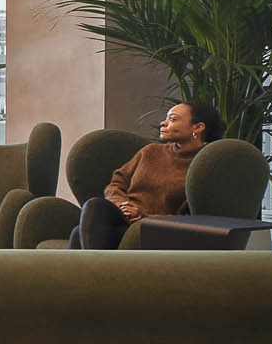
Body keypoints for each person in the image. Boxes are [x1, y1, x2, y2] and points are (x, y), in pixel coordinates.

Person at [71, 101, 224, 248]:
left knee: (79, 234)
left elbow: (197, 218)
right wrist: (122, 205)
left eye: (172, 119)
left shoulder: (205, 166)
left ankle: (93, 270)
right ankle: (98, 271)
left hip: (157, 228)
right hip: (123, 219)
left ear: (198, 127)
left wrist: (143, 215)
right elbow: (117, 182)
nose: (163, 123)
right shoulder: (150, 152)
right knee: (94, 206)